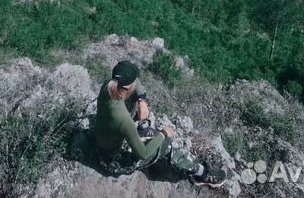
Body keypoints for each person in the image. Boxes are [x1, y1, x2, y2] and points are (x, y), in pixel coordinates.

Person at [94, 60, 226, 188]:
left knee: (138, 101)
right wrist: (163, 134)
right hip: (115, 161)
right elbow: (144, 154)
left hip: (105, 144)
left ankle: (143, 129)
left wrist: (142, 100)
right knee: (167, 144)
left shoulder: (109, 86)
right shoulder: (122, 119)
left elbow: (136, 83)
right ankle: (202, 174)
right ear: (127, 87)